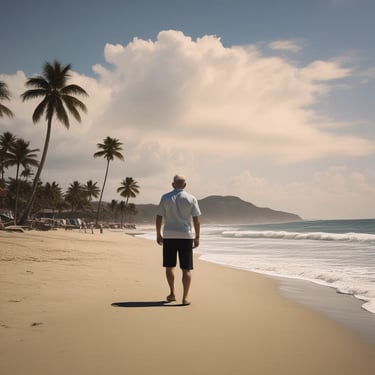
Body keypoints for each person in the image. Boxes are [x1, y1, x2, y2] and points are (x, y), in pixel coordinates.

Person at [156, 174, 201, 305]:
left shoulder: (165, 197)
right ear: (185, 185)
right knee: (186, 269)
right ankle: (185, 298)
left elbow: (159, 216)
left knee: (169, 267)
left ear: (173, 184)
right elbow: (196, 220)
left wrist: (158, 234)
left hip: (169, 236)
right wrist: (197, 236)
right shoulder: (191, 198)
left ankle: (172, 293)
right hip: (186, 236)